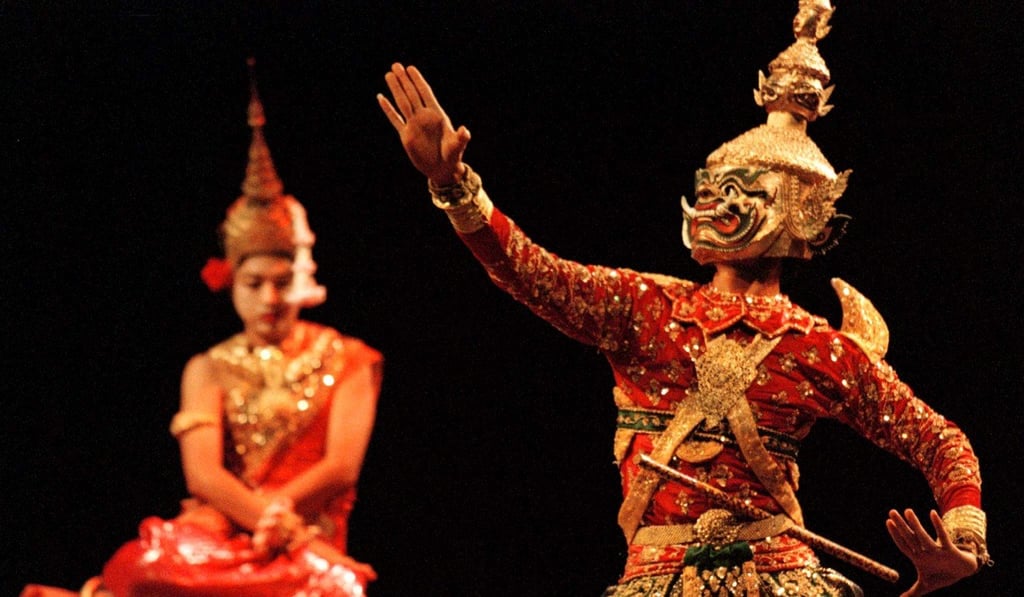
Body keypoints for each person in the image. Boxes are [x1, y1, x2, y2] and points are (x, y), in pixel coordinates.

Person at [377, 1, 987, 595]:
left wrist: (963, 541)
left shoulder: (821, 348)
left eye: (741, 192)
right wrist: (452, 184)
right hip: (652, 578)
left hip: (779, 577)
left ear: (804, 217)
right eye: (713, 188)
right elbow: (531, 273)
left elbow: (940, 440)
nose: (718, 204)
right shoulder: (644, 308)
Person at [22, 69, 381, 597]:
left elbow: (341, 467)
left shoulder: (350, 358)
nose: (270, 299)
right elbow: (204, 478)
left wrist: (288, 532)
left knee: (338, 589)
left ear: (300, 283)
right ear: (229, 283)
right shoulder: (207, 367)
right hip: (222, 536)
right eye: (255, 284)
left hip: (308, 545)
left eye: (282, 283)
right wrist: (272, 522)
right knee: (144, 566)